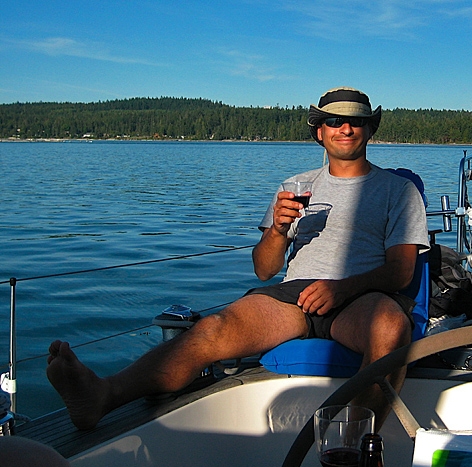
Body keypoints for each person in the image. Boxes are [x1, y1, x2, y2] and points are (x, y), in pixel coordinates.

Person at [46, 86, 429, 431]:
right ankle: (102, 396)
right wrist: (278, 231)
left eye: (355, 121)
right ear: (319, 131)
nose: (344, 128)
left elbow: (401, 270)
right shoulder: (296, 187)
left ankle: (350, 445)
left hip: (361, 297)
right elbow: (264, 269)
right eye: (334, 121)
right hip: (293, 297)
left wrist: (344, 288)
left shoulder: (398, 191)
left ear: (370, 129)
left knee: (390, 329)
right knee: (213, 328)